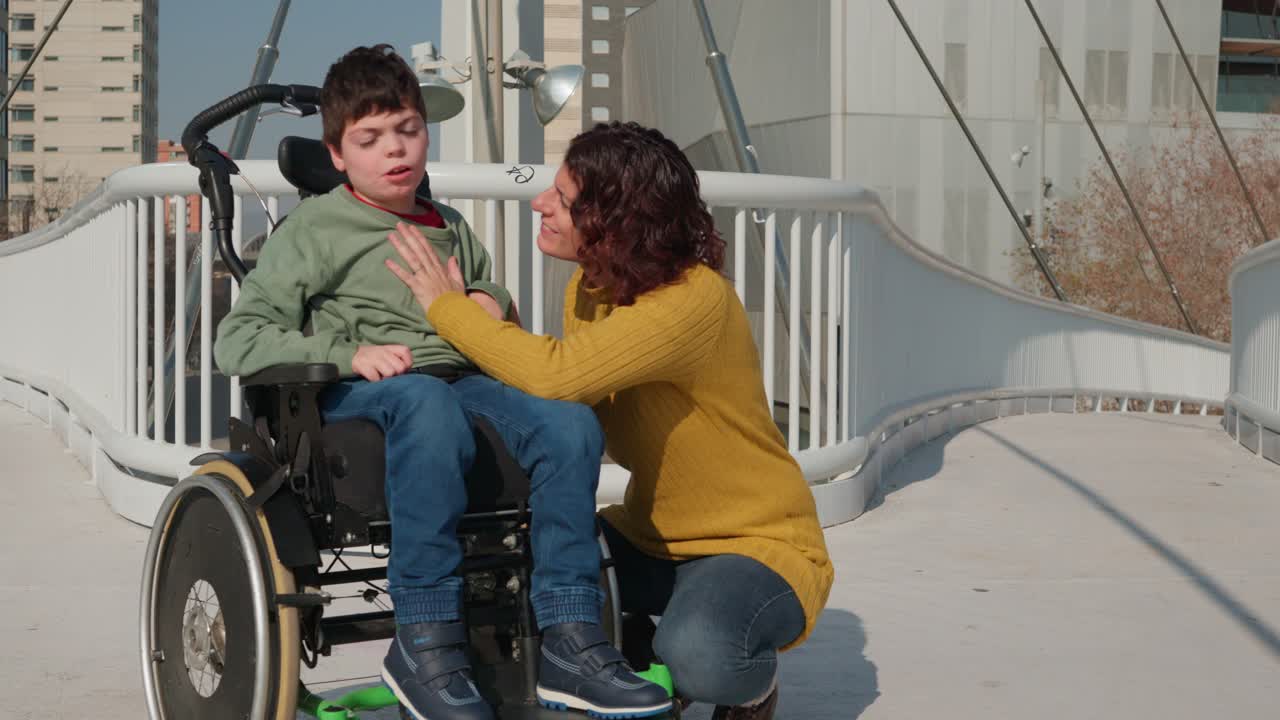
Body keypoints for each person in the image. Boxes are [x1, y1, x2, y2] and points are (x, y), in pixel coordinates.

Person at [214, 47, 671, 720]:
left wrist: (489, 303)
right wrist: (348, 352)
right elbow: (239, 338)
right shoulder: (314, 229)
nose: (394, 150)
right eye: (369, 140)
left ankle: (572, 637)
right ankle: (424, 639)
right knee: (427, 403)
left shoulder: (450, 226)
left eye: (407, 130)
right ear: (338, 155)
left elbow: (492, 306)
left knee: (569, 420)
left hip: (460, 385)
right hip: (365, 398)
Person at [386, 121, 835, 720]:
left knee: (701, 653)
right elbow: (575, 400)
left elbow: (559, 375)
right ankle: (637, 660)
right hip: (650, 538)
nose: (541, 203)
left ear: (615, 225)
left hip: (755, 545)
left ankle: (749, 682)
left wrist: (447, 309)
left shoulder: (691, 301)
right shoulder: (592, 288)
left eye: (563, 200)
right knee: (509, 581)